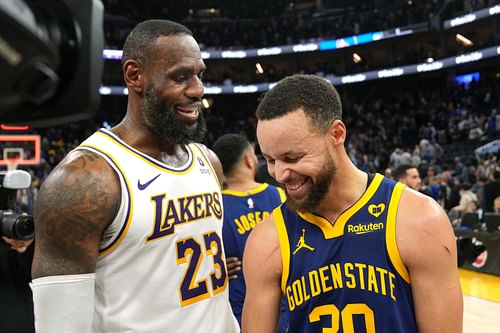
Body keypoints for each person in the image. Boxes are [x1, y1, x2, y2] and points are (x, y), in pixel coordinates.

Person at [31, 20, 239, 333]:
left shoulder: (209, 161)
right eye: (180, 76)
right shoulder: (84, 181)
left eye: (199, 74)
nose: (198, 90)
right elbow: (60, 326)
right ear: (134, 76)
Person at [242, 74, 462, 332]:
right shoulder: (268, 239)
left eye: (292, 157)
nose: (279, 174)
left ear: (336, 133)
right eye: (270, 160)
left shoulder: (419, 219)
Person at [212, 133, 287, 330]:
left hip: (235, 313)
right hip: (281, 309)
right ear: (248, 160)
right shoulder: (279, 196)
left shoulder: (213, 205)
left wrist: (212, 270)